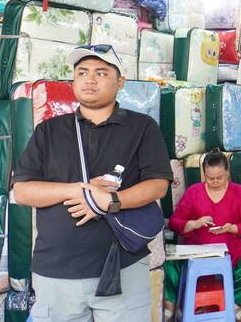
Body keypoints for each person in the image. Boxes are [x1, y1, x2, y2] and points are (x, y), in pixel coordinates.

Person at [13, 45, 172, 321]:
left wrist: (111, 201)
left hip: (124, 267)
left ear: (120, 82)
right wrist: (80, 190)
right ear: (73, 81)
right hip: (56, 271)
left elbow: (158, 184)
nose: (90, 79)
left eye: (101, 72)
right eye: (82, 72)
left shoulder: (142, 127)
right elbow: (23, 191)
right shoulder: (48, 131)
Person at [165, 152, 241, 321]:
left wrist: (232, 228)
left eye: (219, 177)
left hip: (230, 254)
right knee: (166, 263)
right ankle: (172, 305)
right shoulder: (194, 192)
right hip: (195, 254)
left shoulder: (239, 192)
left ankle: (232, 302)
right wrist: (194, 223)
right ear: (203, 174)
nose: (214, 182)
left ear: (227, 172)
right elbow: (175, 222)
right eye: (209, 178)